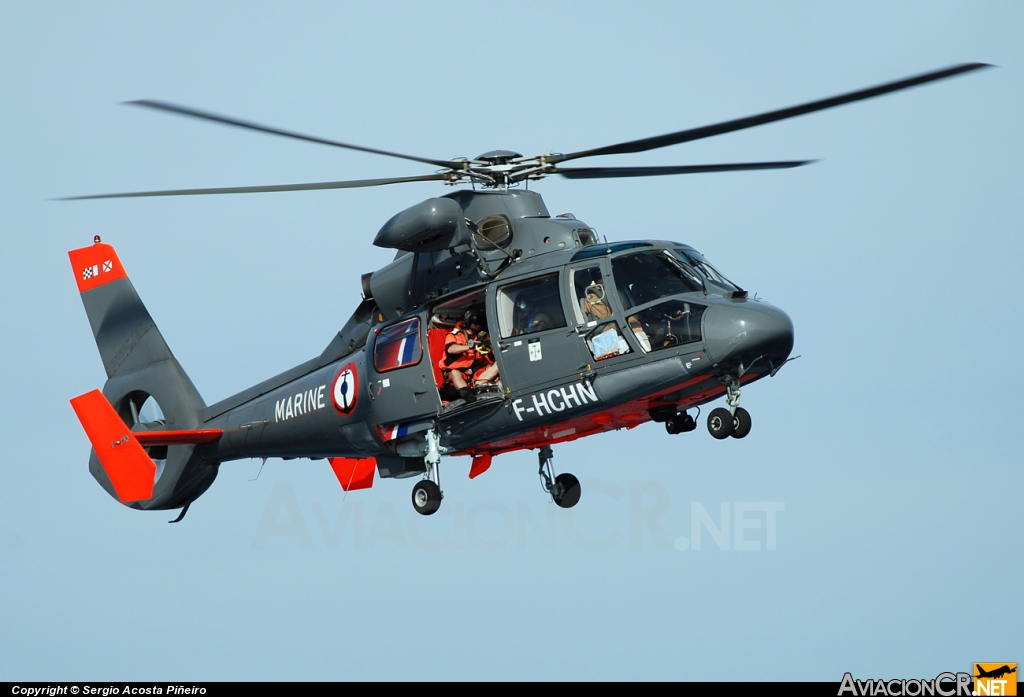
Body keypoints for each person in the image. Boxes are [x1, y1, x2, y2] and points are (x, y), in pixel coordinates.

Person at [439, 312, 499, 402]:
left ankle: (478, 387)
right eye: (476, 322)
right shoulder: (454, 335)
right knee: (455, 373)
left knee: (498, 365)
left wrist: (489, 364)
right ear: (468, 321)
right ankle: (467, 394)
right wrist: (470, 346)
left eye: (481, 323)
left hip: (476, 375)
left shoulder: (481, 339)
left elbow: (486, 357)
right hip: (459, 374)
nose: (478, 325)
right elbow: (450, 349)